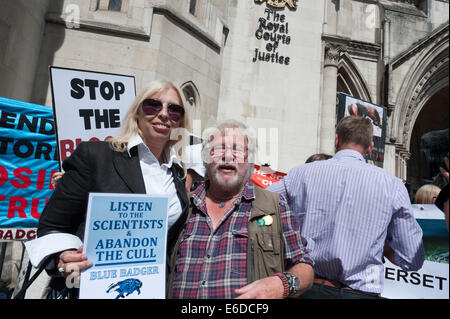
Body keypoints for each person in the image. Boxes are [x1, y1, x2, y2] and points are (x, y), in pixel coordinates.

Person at [25, 80, 191, 298]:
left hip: (148, 289)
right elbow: (52, 226)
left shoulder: (178, 174)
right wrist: (61, 257)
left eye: (174, 109)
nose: (164, 114)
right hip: (88, 288)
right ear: (137, 112)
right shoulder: (96, 156)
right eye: (153, 105)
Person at [268, 115, 425, 299]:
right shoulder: (391, 184)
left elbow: (260, 204)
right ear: (370, 148)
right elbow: (412, 259)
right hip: (360, 292)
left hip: (307, 289)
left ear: (336, 140)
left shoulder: (300, 174)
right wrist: (380, 243)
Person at [168, 120, 314, 299]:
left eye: (237, 150)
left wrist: (282, 284)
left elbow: (305, 267)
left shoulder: (275, 206)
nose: (228, 156)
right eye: (220, 148)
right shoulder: (182, 206)